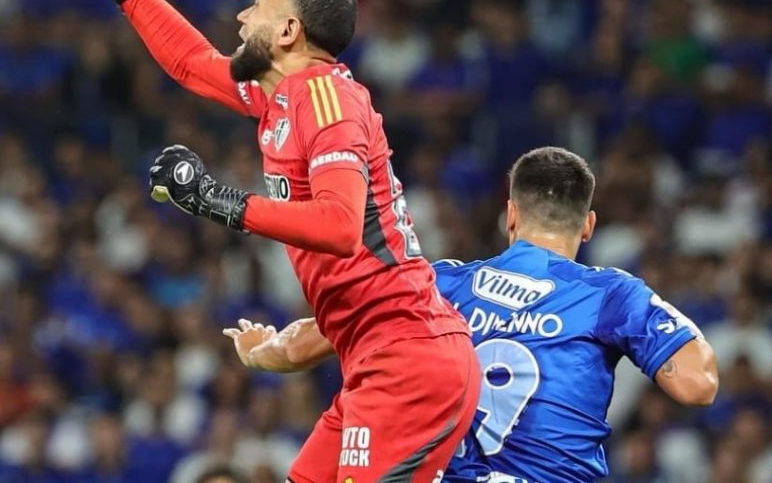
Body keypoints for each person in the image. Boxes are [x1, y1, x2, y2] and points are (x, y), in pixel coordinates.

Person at [49, 0, 480, 483]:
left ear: (287, 31)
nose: (240, 13)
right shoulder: (282, 99)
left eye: (257, 2)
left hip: (408, 360)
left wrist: (214, 201)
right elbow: (191, 63)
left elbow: (339, 225)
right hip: (375, 357)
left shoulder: (329, 101)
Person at [225, 147, 719, 483]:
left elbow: (302, 344)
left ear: (510, 215)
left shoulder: (437, 283)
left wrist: (257, 351)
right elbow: (697, 384)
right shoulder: (612, 294)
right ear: (587, 226)